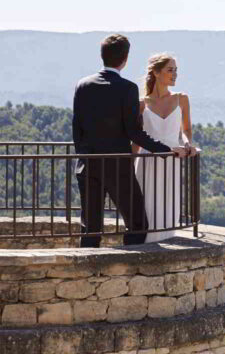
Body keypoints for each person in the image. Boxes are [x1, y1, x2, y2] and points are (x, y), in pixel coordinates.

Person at [72, 34, 190, 247]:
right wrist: (166, 150)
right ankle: (130, 264)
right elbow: (134, 133)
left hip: (87, 165)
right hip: (118, 167)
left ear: (102, 56)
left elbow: (76, 128)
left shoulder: (83, 85)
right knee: (137, 223)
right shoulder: (127, 88)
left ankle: (89, 271)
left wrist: (84, 155)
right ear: (125, 59)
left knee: (90, 227)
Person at [136, 53, 199, 242]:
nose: (175, 74)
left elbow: (186, 129)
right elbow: (136, 139)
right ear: (156, 72)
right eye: (170, 70)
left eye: (176, 70)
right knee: (146, 206)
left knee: (167, 205)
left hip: (171, 160)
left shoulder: (182, 99)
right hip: (147, 161)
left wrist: (187, 143)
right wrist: (127, 166)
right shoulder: (142, 103)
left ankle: (164, 243)